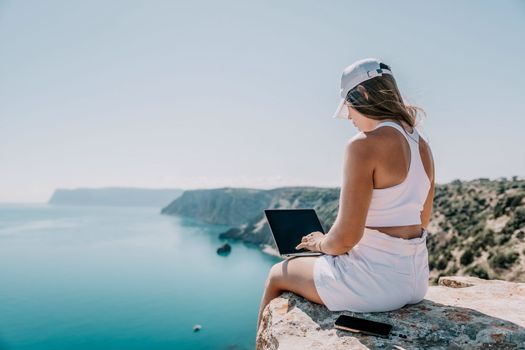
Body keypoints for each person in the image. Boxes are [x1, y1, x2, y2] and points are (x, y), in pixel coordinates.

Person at [256, 58, 435, 333]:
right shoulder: (422, 145)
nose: (349, 118)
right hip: (415, 282)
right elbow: (423, 219)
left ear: (362, 95)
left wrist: (319, 243)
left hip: (374, 287)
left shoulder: (363, 145)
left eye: (348, 108)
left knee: (278, 273)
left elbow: (346, 239)